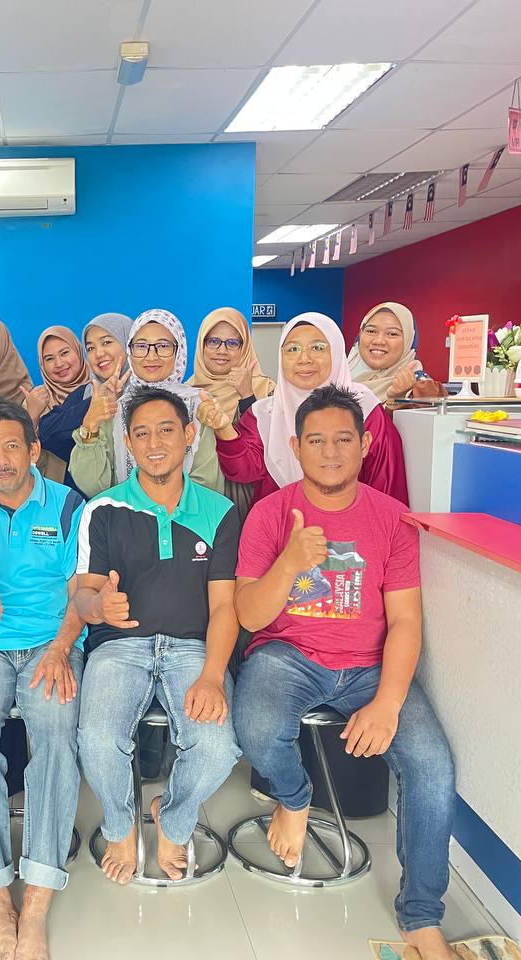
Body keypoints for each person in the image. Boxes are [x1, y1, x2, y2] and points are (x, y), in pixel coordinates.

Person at [232, 384, 457, 960]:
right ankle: (294, 797)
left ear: (364, 445)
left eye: (342, 440)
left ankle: (422, 915)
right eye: (315, 441)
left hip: (369, 666)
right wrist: (289, 562)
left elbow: (405, 621)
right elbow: (249, 615)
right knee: (255, 726)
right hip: (288, 656)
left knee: (432, 766)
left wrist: (387, 703)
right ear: (295, 447)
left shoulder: (392, 519)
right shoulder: (269, 514)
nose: (330, 452)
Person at [74, 386, 241, 883]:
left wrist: (213, 675)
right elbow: (83, 597)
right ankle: (120, 823)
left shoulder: (218, 511)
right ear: (127, 443)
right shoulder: (102, 509)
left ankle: (173, 818)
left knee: (217, 748)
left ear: (189, 435)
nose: (154, 443)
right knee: (97, 740)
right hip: (119, 646)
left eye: (166, 430)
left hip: (193, 649)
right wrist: (98, 606)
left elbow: (225, 605)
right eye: (142, 433)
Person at [0, 400, 85, 960]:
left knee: (55, 736)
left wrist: (60, 649)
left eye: (12, 447)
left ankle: (36, 902)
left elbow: (82, 591)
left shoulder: (69, 505)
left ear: (34, 450)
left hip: (51, 646)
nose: (2, 460)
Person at [212, 312, 408, 506]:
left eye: (317, 347)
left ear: (336, 351)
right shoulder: (263, 414)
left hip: (353, 523)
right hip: (280, 521)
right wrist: (223, 428)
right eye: (293, 349)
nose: (304, 359)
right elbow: (243, 472)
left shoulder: (365, 410)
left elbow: (386, 488)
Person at [69, 308, 221, 498]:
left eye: (163, 346)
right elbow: (94, 486)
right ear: (129, 350)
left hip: (187, 514)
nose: (151, 356)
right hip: (124, 514)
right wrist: (90, 423)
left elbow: (207, 483)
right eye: (141, 346)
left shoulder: (199, 403)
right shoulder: (116, 408)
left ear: (179, 350)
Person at [189, 307, 275, 516]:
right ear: (202, 345)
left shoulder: (267, 391)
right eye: (213, 341)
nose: (222, 350)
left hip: (250, 499)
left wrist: (247, 395)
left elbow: (269, 453)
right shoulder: (187, 393)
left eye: (232, 343)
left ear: (244, 348)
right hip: (197, 499)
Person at [33, 313, 131, 495]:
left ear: (129, 343)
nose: (99, 353)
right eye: (91, 348)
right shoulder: (87, 392)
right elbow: (47, 433)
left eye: (107, 342)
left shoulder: (153, 392)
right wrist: (93, 406)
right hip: (94, 500)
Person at [22, 325, 90, 484]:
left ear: (79, 352)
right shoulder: (35, 399)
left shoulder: (99, 389)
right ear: (42, 365)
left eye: (64, 353)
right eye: (49, 359)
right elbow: (22, 452)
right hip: (54, 487)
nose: (59, 363)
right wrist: (32, 416)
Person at [347, 302, 425, 404]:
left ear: (408, 341)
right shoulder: (338, 377)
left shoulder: (422, 389)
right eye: (371, 331)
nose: (378, 341)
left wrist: (397, 401)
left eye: (392, 334)